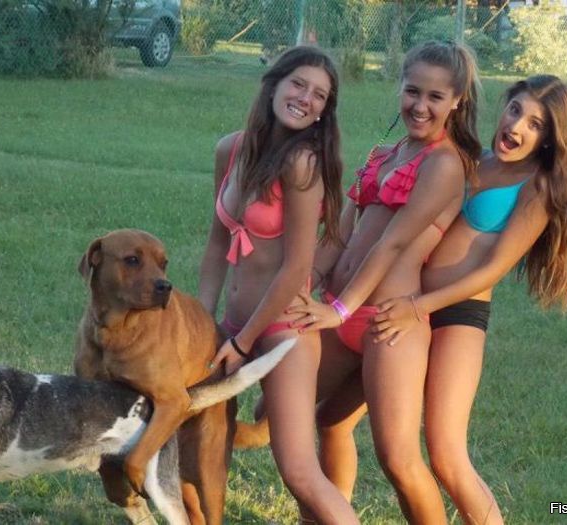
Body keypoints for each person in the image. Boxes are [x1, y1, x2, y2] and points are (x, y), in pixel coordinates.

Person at [316, 74, 567, 525]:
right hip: (407, 304)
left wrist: (418, 307)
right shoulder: (471, 160)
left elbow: (492, 269)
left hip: (456, 316)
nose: (516, 126)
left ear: (549, 138)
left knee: (446, 455)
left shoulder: (536, 186)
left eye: (535, 124)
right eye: (515, 110)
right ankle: (331, 514)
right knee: (332, 420)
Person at [286, 40, 481, 524]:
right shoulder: (386, 153)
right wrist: (307, 281)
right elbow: (341, 233)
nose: (420, 105)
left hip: (388, 322)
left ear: (457, 100)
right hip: (339, 306)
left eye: (435, 97)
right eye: (412, 91)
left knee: (398, 458)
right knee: (313, 417)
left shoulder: (445, 164)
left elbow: (392, 244)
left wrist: (340, 310)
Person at [197, 46, 359, 524]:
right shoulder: (230, 150)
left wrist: (243, 343)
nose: (306, 99)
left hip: (281, 331)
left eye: (320, 95)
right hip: (232, 326)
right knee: (203, 447)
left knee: (299, 471)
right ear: (274, 84)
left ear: (324, 112)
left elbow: (296, 268)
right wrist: (202, 321)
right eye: (299, 84)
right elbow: (216, 245)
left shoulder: (302, 163)